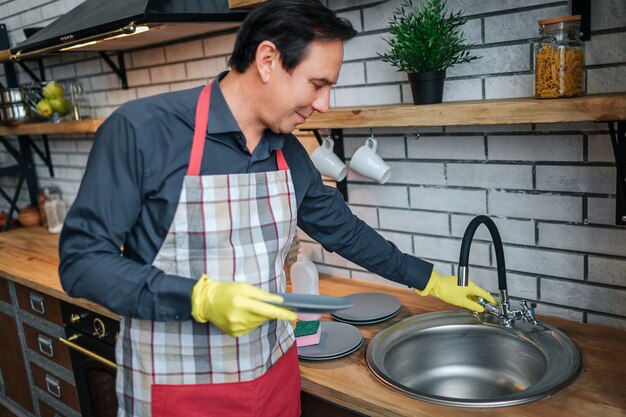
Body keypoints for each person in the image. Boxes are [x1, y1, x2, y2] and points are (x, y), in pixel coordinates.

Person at [59, 0, 495, 416]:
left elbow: (343, 230)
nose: (324, 104)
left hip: (273, 377)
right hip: (179, 389)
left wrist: (430, 280)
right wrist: (199, 297)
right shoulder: (143, 130)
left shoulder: (287, 150)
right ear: (268, 60)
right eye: (317, 84)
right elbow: (82, 264)